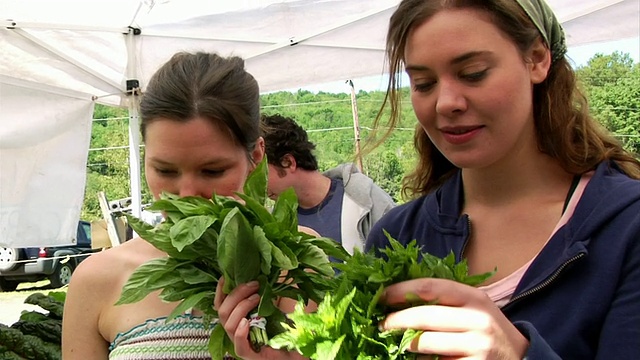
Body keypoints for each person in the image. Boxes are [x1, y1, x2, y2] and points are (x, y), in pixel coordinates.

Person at [360, 0, 640, 358]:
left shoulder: (625, 228)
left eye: (473, 73)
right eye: (424, 83)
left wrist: (519, 354)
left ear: (537, 59)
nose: (446, 102)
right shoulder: (397, 234)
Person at [61, 52, 300, 359]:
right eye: (165, 170)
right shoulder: (96, 280)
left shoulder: (294, 265)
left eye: (212, 171)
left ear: (255, 158)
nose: (185, 194)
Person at [261, 113, 396, 255]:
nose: (259, 186)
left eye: (261, 174)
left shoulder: (368, 203)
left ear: (288, 162)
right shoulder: (276, 222)